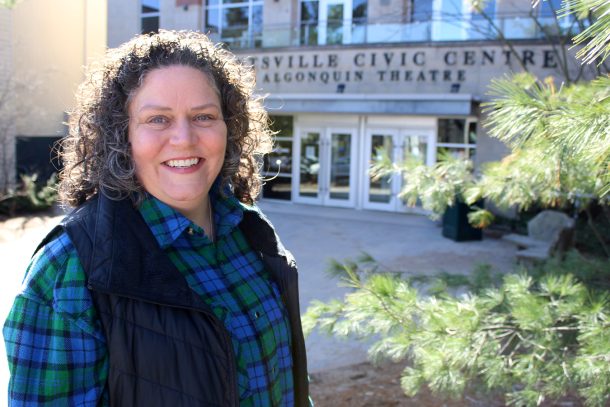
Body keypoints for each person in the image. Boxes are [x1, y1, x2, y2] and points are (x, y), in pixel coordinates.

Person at [3, 30, 309, 406]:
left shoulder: (250, 231)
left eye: (203, 116)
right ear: (120, 135)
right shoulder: (70, 267)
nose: (184, 138)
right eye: (158, 119)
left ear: (229, 127)